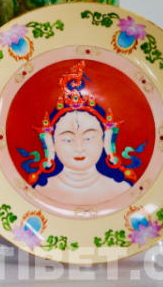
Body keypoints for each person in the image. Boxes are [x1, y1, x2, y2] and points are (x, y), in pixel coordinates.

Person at [19, 61, 142, 206]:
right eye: (68, 139)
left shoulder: (123, 190)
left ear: (105, 140)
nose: (79, 148)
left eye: (89, 138)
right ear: (51, 143)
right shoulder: (39, 192)